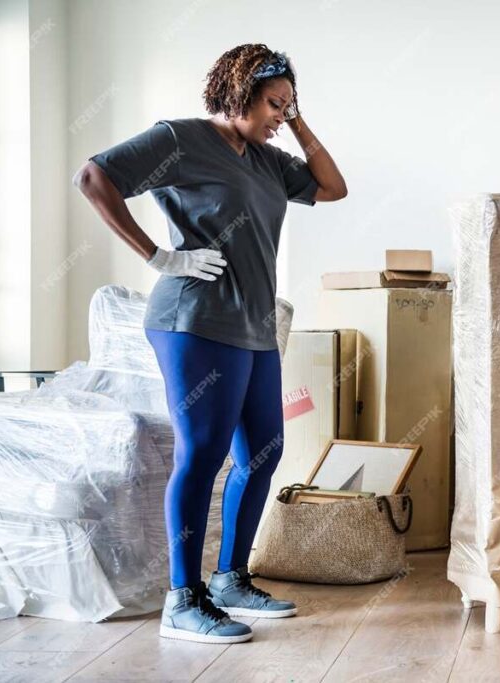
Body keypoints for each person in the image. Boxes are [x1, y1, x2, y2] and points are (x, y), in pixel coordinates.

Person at [74, 44, 347, 644]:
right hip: (193, 320)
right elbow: (94, 176)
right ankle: (182, 599)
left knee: (265, 452)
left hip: (252, 326)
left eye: (287, 106)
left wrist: (297, 121)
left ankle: (229, 580)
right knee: (202, 455)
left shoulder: (268, 161)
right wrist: (159, 256)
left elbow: (333, 187)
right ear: (238, 92)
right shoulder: (181, 138)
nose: (280, 115)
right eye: (273, 104)